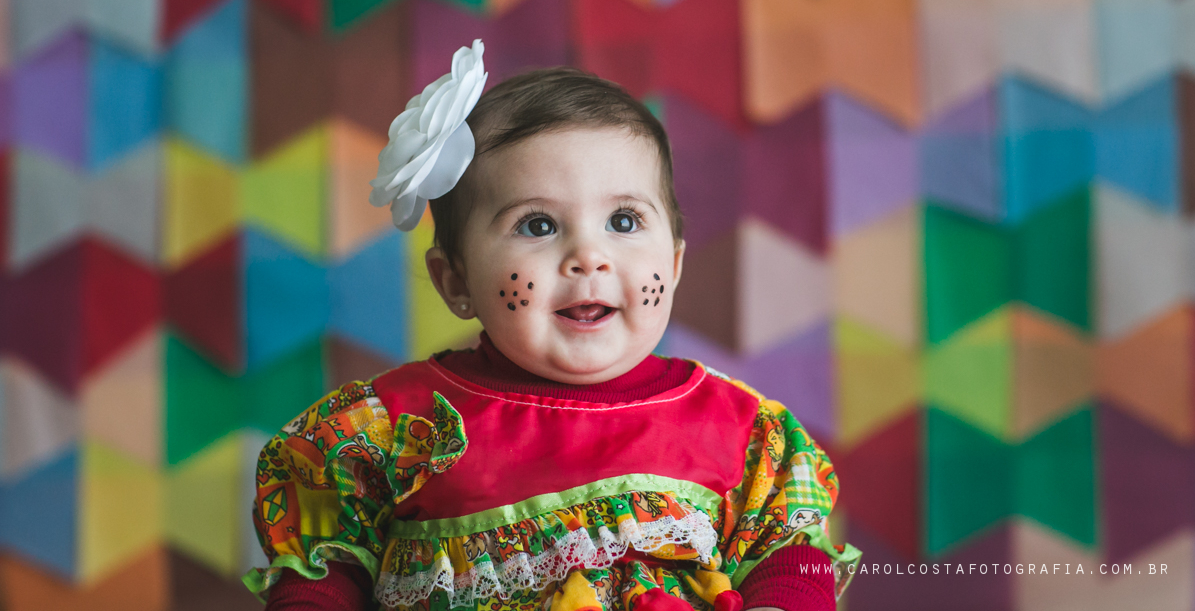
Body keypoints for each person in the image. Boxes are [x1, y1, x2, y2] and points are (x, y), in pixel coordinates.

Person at [243, 41, 861, 611]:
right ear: (456, 281)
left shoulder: (740, 430)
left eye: (623, 221)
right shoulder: (397, 428)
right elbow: (322, 568)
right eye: (537, 225)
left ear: (673, 265)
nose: (588, 257)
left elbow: (792, 557)